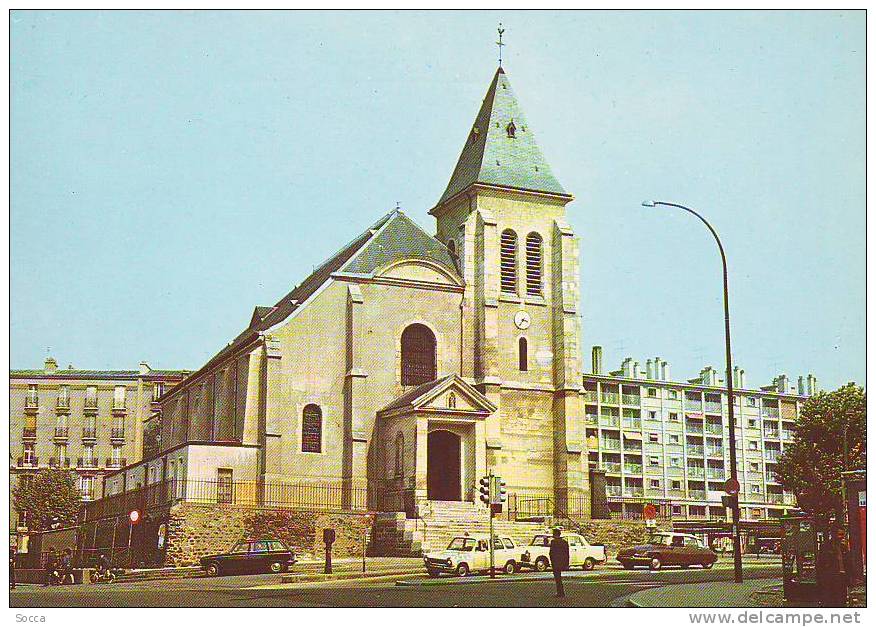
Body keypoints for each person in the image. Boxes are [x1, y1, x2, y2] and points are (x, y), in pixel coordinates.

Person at [548, 528, 570, 598]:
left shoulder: (553, 542)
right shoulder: (564, 542)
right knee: (558, 577)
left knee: (557, 578)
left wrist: (551, 562)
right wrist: (567, 563)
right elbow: (567, 553)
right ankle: (561, 592)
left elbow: (551, 553)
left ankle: (560, 592)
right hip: (562, 561)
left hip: (556, 562)